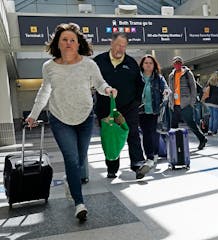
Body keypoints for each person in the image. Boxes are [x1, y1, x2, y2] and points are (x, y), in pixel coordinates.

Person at [26, 23, 117, 221]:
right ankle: (79, 203)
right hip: (59, 118)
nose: (68, 43)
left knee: (80, 158)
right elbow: (44, 92)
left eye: (72, 40)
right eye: (64, 40)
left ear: (78, 44)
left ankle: (71, 181)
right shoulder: (49, 67)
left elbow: (100, 84)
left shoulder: (89, 64)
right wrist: (34, 114)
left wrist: (108, 89)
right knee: (72, 159)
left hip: (84, 116)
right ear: (58, 44)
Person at [94, 32, 150, 179]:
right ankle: (112, 168)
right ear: (111, 43)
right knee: (110, 137)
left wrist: (136, 102)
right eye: (118, 45)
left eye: (124, 46)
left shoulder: (131, 63)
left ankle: (138, 165)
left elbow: (140, 84)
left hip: (128, 107)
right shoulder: (99, 61)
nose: (121, 49)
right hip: (105, 108)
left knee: (133, 134)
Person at [168, 56, 207, 150]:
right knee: (173, 125)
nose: (177, 64)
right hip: (174, 104)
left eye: (179, 62)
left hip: (186, 103)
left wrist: (192, 102)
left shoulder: (187, 73)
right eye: (175, 63)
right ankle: (175, 145)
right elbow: (170, 89)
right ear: (173, 64)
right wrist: (170, 102)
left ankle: (202, 139)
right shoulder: (171, 75)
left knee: (190, 123)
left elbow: (193, 87)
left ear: (181, 64)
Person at [138, 54, 170, 165]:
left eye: (150, 63)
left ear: (154, 65)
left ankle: (154, 154)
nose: (148, 65)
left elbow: (165, 87)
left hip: (154, 109)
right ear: (142, 65)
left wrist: (166, 91)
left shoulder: (158, 77)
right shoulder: (137, 77)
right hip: (140, 110)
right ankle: (150, 155)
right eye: (146, 63)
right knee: (146, 133)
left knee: (153, 132)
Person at [204, 71, 218, 135]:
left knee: (211, 116)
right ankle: (214, 131)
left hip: (209, 101)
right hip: (217, 102)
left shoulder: (209, 82)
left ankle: (210, 130)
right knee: (216, 117)